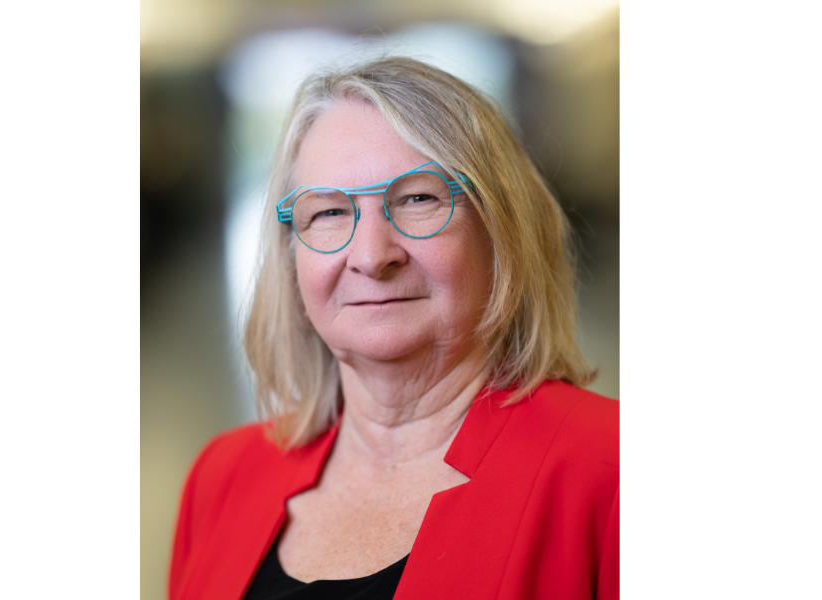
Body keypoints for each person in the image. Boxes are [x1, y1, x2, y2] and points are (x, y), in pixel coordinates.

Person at [169, 57, 618, 600]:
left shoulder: (610, 469)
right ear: (291, 257)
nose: (371, 256)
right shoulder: (222, 476)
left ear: (503, 230)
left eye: (418, 199)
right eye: (329, 212)